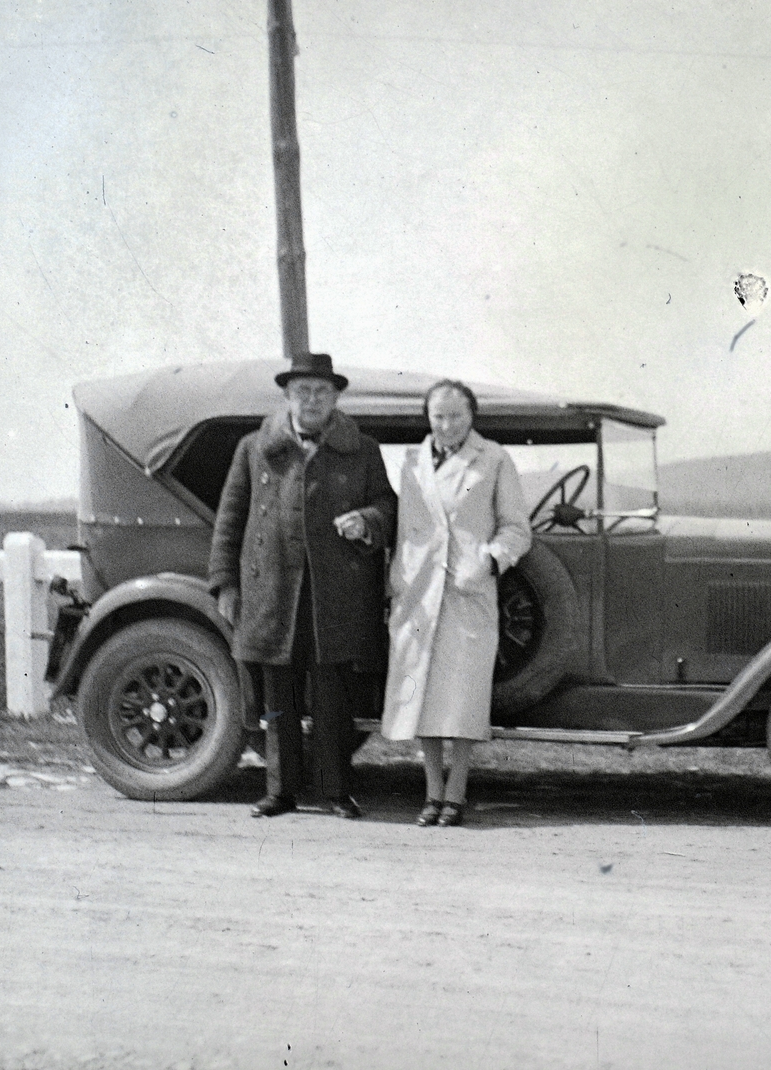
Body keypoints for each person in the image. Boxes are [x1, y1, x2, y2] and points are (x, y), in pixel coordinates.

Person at [208, 353, 397, 820]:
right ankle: (280, 791)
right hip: (272, 593)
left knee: (334, 698)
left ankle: (336, 792)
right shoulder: (254, 448)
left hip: (335, 596)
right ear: (287, 397)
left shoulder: (364, 450)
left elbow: (388, 507)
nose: (312, 400)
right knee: (278, 698)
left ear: (336, 398)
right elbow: (230, 519)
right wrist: (225, 584)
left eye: (321, 392)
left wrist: (368, 520)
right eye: (302, 392)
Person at [381, 379, 532, 826]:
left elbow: (516, 528)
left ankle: (457, 794)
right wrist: (399, 580)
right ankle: (431, 793)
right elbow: (407, 528)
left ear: (472, 416)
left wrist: (489, 562)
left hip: (468, 592)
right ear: (428, 418)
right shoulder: (411, 462)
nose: (447, 425)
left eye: (456, 416)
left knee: (462, 698)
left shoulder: (495, 460)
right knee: (423, 695)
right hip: (419, 595)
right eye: (438, 416)